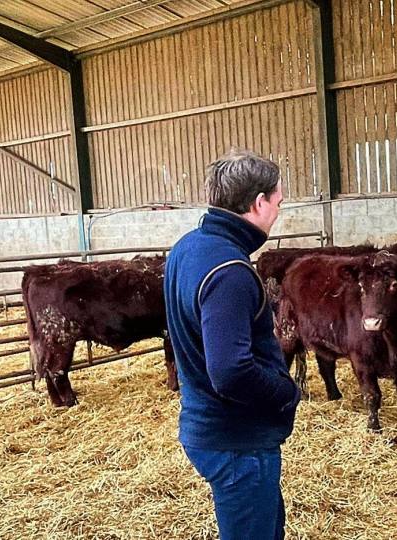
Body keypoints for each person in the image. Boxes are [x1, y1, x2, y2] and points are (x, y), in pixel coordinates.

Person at [164, 148, 300, 540]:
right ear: (258, 203)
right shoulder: (230, 271)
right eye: (277, 202)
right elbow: (230, 371)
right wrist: (285, 392)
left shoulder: (188, 247)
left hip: (210, 424)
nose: (277, 212)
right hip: (237, 441)